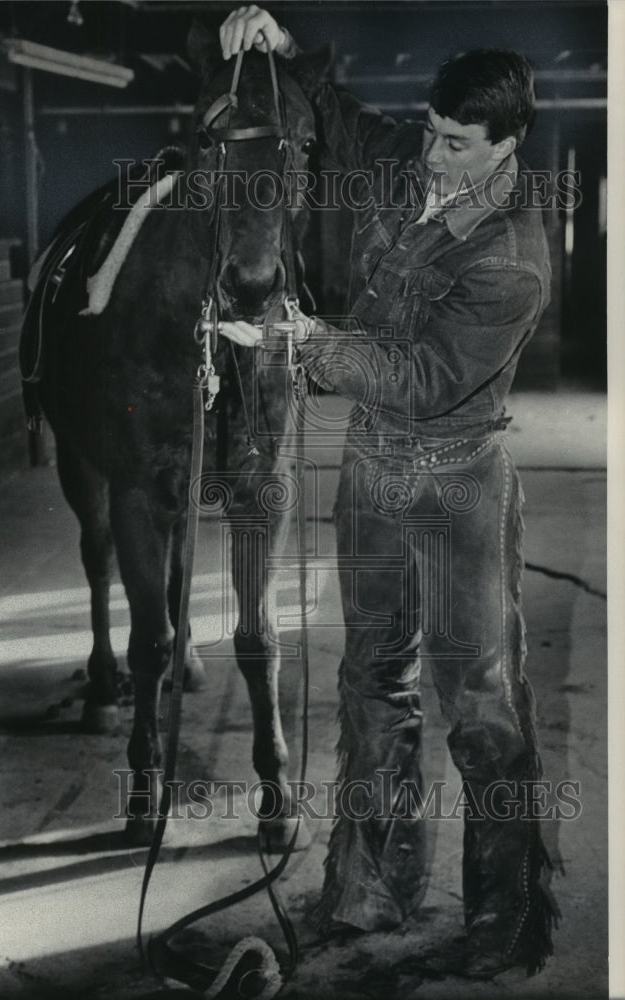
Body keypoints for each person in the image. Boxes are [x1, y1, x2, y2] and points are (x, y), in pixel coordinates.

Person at [217, 5, 559, 978]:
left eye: (456, 145)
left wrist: (307, 342)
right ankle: (368, 890)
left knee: (482, 706)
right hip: (371, 469)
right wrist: (280, 49)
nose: (434, 156)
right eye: (431, 134)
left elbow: (419, 377)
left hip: (455, 483)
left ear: (507, 143)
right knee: (371, 682)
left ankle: (503, 922)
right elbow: (347, 115)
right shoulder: (415, 159)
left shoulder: (512, 258)